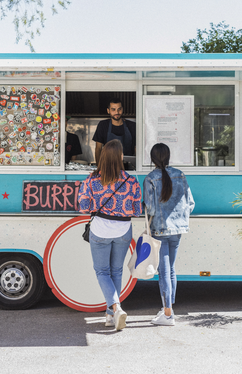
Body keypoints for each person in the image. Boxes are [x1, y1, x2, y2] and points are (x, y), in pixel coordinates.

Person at [77, 139, 143, 330]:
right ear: (121, 157)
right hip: (123, 230)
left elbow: (84, 207)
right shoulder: (131, 181)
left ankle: (115, 307)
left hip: (100, 230)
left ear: (103, 157)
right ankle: (111, 314)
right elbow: (136, 210)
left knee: (102, 272)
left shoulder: (92, 179)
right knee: (116, 271)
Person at [142, 143, 195, 326]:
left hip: (160, 230)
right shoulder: (180, 175)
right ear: (169, 156)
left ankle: (167, 314)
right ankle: (168, 309)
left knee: (163, 272)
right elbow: (190, 203)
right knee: (171, 269)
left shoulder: (150, 178)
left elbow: (151, 208)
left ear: (153, 159)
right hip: (178, 229)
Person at [92, 97, 136, 165]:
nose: (117, 112)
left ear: (122, 109)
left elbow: (136, 148)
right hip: (108, 166)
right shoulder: (103, 125)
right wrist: (99, 168)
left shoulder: (132, 126)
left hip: (128, 166)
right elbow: (98, 149)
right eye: (113, 109)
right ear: (108, 110)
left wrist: (136, 166)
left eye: (119, 109)